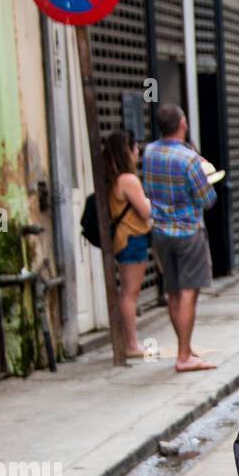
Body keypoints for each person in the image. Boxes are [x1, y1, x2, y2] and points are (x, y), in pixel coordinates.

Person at [142, 103, 218, 371]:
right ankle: (184, 356)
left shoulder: (149, 152)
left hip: (160, 232)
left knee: (172, 291)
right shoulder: (188, 159)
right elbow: (207, 199)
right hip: (187, 231)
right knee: (188, 292)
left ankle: (183, 348)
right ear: (183, 123)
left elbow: (147, 189)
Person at [103, 129, 153, 358]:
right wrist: (152, 203)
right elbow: (145, 210)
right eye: (134, 148)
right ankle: (132, 344)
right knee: (130, 293)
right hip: (133, 239)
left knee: (127, 292)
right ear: (127, 150)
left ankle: (127, 342)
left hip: (123, 240)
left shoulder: (112, 179)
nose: (138, 153)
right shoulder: (128, 179)